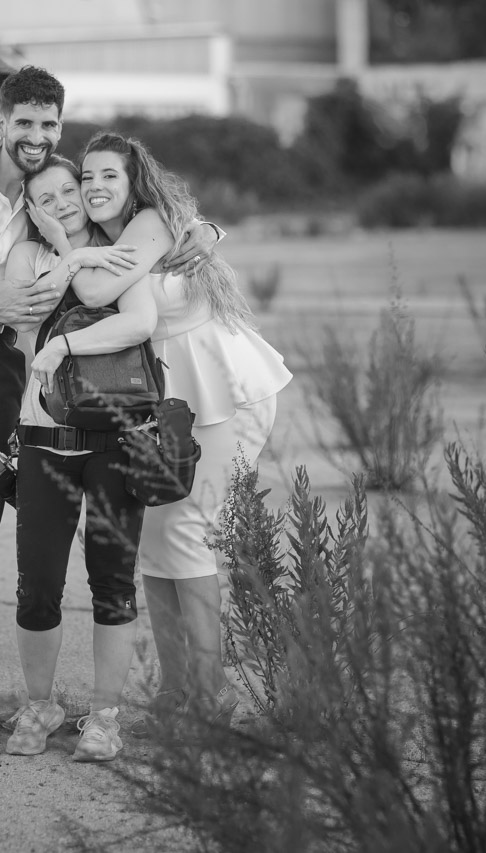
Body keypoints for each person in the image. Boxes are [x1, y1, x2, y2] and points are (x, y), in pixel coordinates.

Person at [0, 67, 220, 750]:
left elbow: (132, 208)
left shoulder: (53, 194)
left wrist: (204, 228)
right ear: (1, 123)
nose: (36, 136)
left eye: (48, 125)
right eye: (23, 122)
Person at [32, 131, 292, 726]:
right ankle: (175, 692)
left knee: (189, 533)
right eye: (87, 177)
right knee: (152, 536)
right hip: (166, 398)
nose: (95, 187)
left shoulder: (149, 222)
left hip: (222, 388)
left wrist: (67, 249)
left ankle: (211, 694)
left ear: (134, 183)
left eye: (109, 176)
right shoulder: (105, 238)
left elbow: (96, 290)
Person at [1, 156, 159, 762]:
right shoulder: (25, 256)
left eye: (70, 189)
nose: (65, 201)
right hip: (44, 438)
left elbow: (137, 326)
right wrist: (68, 255)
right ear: (31, 208)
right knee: (37, 584)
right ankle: (41, 704)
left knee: (112, 582)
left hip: (116, 437)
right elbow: (29, 323)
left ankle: (104, 717)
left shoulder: (119, 248)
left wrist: (80, 253)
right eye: (47, 197)